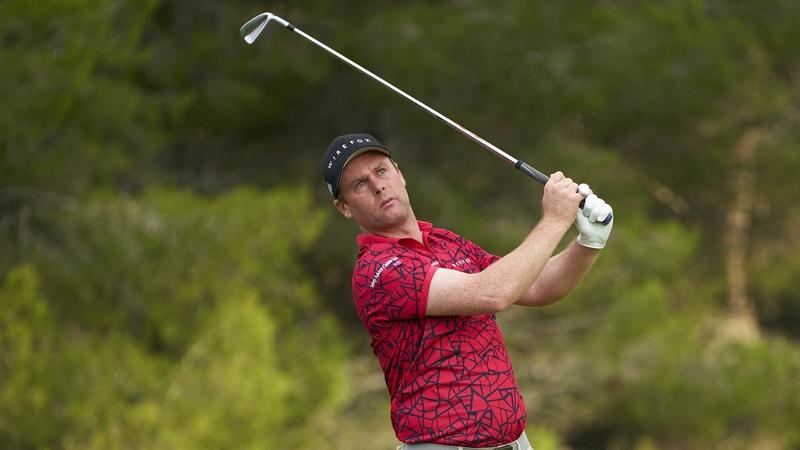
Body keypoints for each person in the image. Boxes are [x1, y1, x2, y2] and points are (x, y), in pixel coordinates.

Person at [321, 133, 613, 450]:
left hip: (515, 443)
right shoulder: (378, 269)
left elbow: (535, 285)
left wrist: (588, 243)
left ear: (399, 174)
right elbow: (493, 293)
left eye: (381, 171)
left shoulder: (446, 241)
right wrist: (555, 219)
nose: (378, 186)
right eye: (359, 184)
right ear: (344, 207)